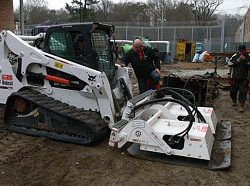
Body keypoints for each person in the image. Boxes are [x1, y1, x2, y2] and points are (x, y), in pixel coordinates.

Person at [228, 44, 250, 112]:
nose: (241, 53)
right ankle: (234, 101)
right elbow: (229, 63)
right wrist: (236, 61)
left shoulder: (248, 56)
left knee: (243, 92)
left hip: (244, 78)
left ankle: (241, 106)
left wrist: (245, 60)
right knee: (232, 91)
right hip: (235, 77)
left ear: (245, 51)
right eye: (240, 52)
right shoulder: (235, 56)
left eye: (242, 51)